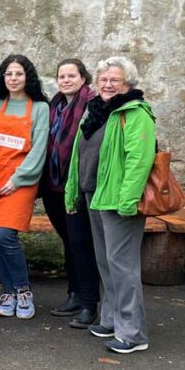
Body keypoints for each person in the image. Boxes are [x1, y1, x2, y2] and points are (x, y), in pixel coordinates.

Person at [65, 56, 156, 354]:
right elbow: (79, 154)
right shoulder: (95, 111)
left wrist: (127, 200)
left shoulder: (135, 112)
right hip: (94, 195)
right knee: (106, 262)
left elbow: (139, 160)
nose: (107, 84)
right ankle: (111, 320)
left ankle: (133, 334)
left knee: (123, 266)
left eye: (114, 80)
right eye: (103, 79)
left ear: (127, 83)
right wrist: (72, 191)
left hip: (118, 201)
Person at [0, 55, 49, 320]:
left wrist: (15, 181)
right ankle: (8, 293)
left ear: (27, 77)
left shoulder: (40, 108)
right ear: (2, 78)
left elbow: (39, 149)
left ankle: (23, 290)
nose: (13, 79)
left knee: (6, 235)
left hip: (20, 182)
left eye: (18, 74)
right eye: (9, 74)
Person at [41, 59, 99, 328]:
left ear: (83, 78)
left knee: (82, 244)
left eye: (71, 76)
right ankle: (74, 295)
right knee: (69, 241)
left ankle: (89, 303)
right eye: (61, 76)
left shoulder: (92, 104)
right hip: (54, 186)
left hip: (76, 185)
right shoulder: (55, 105)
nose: (65, 80)